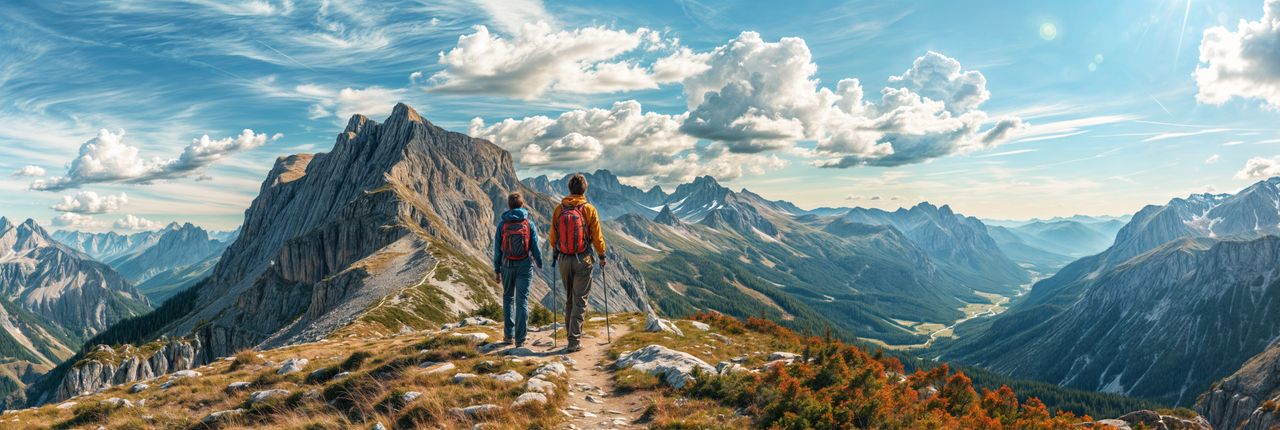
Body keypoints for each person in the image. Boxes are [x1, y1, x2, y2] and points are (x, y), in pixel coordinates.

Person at [548, 174, 607, 353]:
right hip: (583, 259)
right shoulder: (589, 209)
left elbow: (552, 238)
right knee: (580, 300)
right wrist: (602, 255)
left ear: (569, 189)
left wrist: (560, 251)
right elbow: (597, 237)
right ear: (584, 189)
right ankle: (574, 341)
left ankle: (570, 337)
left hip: (564, 259)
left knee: (569, 300)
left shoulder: (559, 209)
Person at [493, 192, 543, 348]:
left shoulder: (502, 224)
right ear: (523, 205)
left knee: (508, 298)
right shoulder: (528, 223)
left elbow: (497, 250)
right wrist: (539, 263)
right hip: (524, 266)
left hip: (506, 265)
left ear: (509, 206)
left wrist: (497, 269)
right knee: (522, 301)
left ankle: (508, 335)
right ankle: (520, 340)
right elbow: (535, 247)